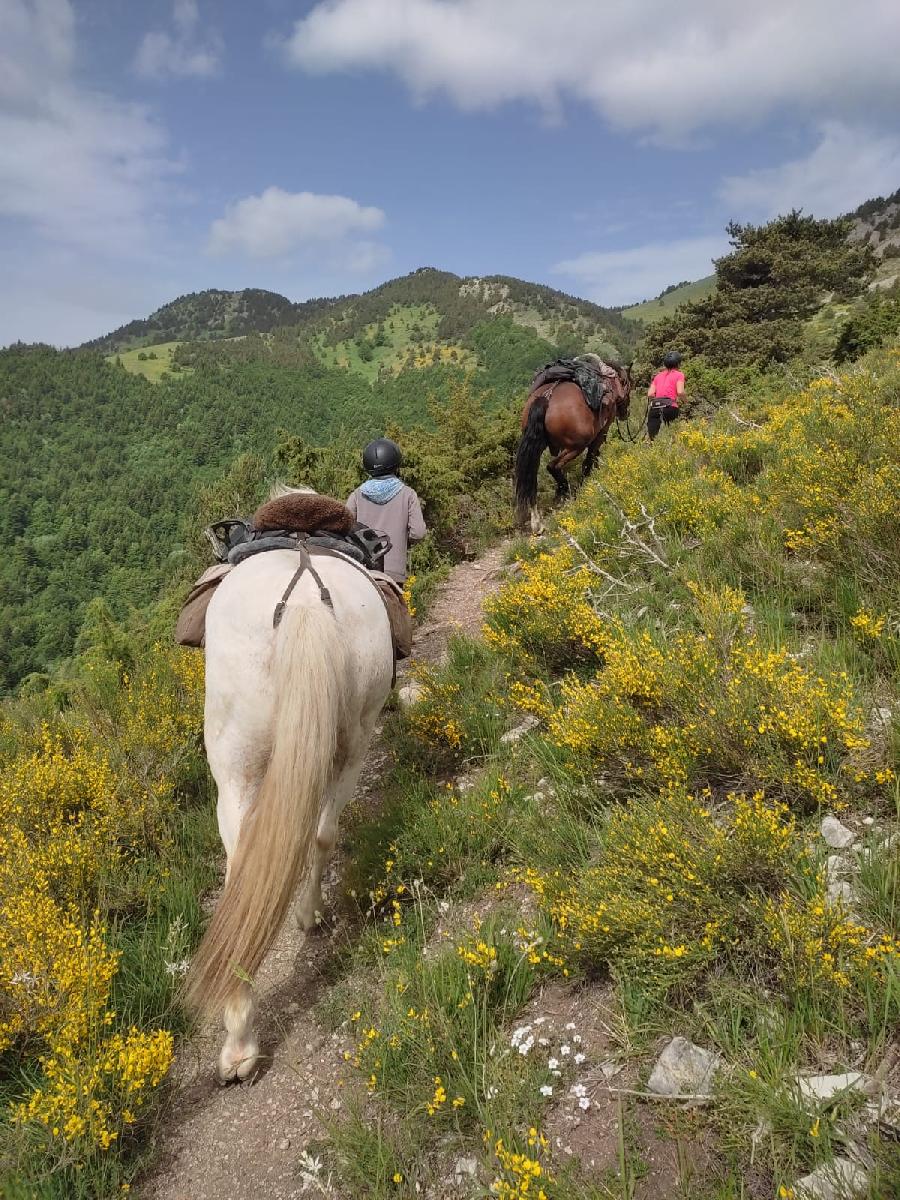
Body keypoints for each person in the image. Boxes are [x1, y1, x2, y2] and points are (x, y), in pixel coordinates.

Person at [346, 438, 426, 583]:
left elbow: (344, 528)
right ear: (396, 464)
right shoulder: (408, 494)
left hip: (364, 570)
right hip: (394, 573)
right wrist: (401, 539)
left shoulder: (357, 495)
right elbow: (418, 533)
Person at [647, 351, 685, 440]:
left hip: (655, 407)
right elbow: (680, 392)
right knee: (674, 435)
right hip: (670, 407)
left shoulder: (658, 376)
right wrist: (685, 400)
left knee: (653, 438)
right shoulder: (679, 375)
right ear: (678, 363)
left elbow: (650, 394)